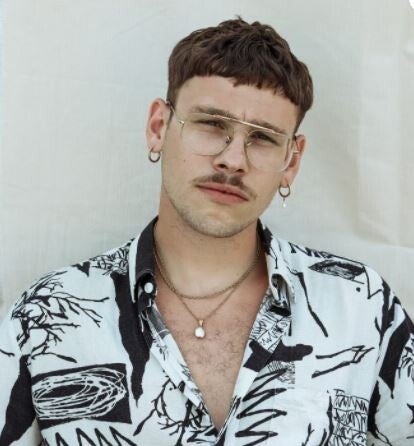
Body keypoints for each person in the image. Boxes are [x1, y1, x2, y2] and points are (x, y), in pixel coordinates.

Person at [0, 16, 413, 446]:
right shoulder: (47, 316)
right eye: (212, 124)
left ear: (291, 161)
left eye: (263, 138)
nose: (233, 160)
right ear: (159, 127)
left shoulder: (361, 307)